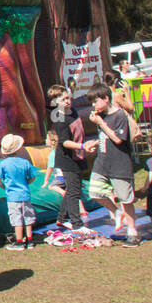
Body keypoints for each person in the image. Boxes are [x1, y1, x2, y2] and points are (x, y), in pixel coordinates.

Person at [84, 83, 140, 247]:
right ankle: (117, 212)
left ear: (106, 99)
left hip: (119, 163)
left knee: (126, 199)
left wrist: (101, 124)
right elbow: (106, 137)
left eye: (96, 101)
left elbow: (118, 139)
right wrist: (94, 142)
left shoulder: (119, 116)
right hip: (102, 162)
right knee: (94, 192)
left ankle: (132, 232)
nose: (93, 106)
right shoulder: (101, 117)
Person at [48, 85, 87, 230]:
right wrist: (83, 146)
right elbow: (65, 142)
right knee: (74, 191)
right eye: (63, 99)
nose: (67, 101)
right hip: (67, 159)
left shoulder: (73, 112)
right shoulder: (60, 119)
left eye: (68, 98)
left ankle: (62, 218)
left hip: (77, 156)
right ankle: (77, 223)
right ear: (56, 102)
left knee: (72, 189)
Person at [0, 134, 37, 250]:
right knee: (28, 217)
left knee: (16, 218)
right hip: (25, 194)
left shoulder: (3, 164)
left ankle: (19, 242)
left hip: (12, 196)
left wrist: (5, 187)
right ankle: (29, 240)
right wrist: (26, 183)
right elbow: (33, 177)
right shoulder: (24, 162)